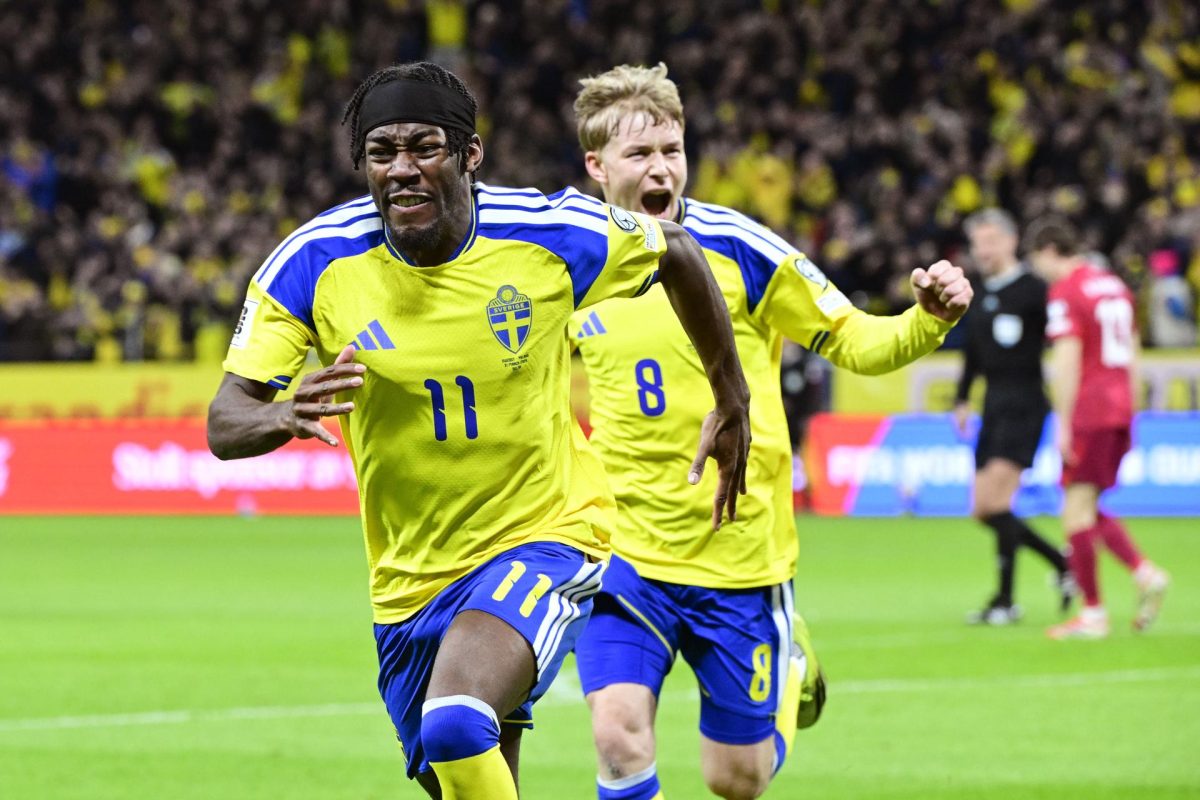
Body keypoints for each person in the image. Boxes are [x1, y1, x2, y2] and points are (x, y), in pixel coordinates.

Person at [206, 61, 753, 800]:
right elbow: (224, 419)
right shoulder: (315, 262)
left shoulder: (549, 231)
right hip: (409, 581)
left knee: (458, 722)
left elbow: (678, 251)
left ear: (470, 154)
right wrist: (283, 412)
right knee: (469, 775)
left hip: (544, 531)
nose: (402, 169)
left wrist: (732, 398)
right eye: (381, 152)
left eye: (424, 147)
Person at [568, 63, 972, 800]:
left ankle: (791, 667)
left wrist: (929, 317)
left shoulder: (741, 248)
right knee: (616, 735)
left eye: (672, 150)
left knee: (737, 781)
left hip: (740, 561)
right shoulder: (569, 260)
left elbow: (856, 341)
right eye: (639, 154)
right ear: (595, 166)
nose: (662, 168)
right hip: (623, 557)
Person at [1026, 217, 1170, 640]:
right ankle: (1143, 574)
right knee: (1086, 503)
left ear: (1050, 249)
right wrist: (1134, 407)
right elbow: (1134, 351)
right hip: (1120, 406)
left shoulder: (1067, 291)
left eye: (1038, 260)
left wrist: (1064, 422)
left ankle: (1093, 614)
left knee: (1075, 508)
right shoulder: (1114, 286)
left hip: (1090, 409)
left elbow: (1067, 359)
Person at [953, 208, 1072, 625]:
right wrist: (962, 398)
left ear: (1009, 240)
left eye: (989, 241)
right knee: (982, 509)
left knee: (994, 502)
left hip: (1024, 406)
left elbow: (1062, 340)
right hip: (993, 408)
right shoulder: (981, 291)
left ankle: (1005, 601)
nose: (982, 250)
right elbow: (972, 352)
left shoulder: (1036, 290)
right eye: (977, 243)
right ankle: (1061, 563)